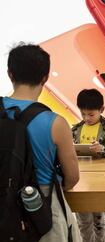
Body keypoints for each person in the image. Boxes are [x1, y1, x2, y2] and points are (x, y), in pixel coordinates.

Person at [3, 43, 81, 241]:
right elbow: (72, 178)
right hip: (42, 207)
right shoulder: (56, 123)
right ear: (45, 77)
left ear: (10, 73)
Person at [72, 88, 105, 242]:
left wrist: (103, 149)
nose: (87, 118)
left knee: (98, 222)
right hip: (81, 181)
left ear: (102, 110)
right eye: (83, 114)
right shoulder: (76, 129)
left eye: (91, 114)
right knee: (83, 221)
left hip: (101, 181)